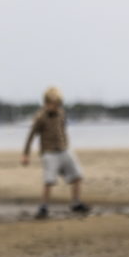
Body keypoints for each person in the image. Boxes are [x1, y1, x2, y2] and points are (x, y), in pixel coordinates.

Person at [21, 87, 90, 218]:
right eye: (54, 104)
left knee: (77, 175)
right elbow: (31, 136)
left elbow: (63, 129)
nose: (57, 107)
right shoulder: (40, 117)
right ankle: (43, 207)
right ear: (46, 104)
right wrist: (26, 154)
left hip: (64, 149)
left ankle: (76, 202)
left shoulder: (61, 114)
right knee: (49, 180)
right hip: (49, 153)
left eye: (59, 104)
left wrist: (66, 143)